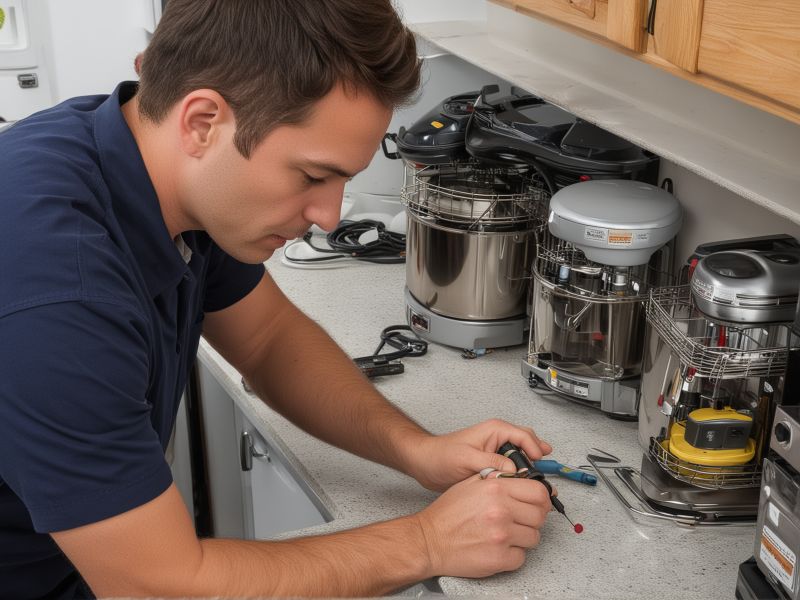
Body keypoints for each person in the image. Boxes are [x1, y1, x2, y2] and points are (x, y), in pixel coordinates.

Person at [0, 1, 555, 597]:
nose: (330, 216)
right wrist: (428, 542)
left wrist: (416, 450)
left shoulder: (152, 166)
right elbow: (158, 587)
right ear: (202, 122)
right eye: (314, 177)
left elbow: (269, 341)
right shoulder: (57, 294)